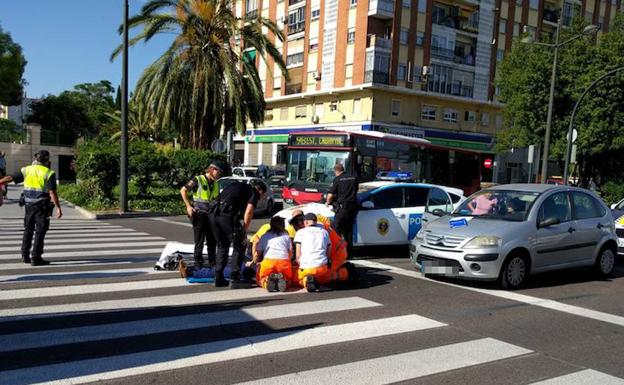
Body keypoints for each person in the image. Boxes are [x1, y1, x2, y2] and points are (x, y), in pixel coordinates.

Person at [0, 150, 62, 265]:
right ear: (47, 160)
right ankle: (36, 257)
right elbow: (52, 192)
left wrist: (0, 182)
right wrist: (58, 207)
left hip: (28, 205)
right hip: (42, 207)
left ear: (35, 158)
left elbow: (9, 178)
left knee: (28, 230)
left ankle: (25, 256)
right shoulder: (48, 173)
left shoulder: (26, 169)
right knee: (40, 231)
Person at [211, 177, 267, 288]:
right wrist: (244, 231)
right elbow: (249, 211)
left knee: (223, 245)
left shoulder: (238, 185)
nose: (261, 197)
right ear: (260, 190)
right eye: (263, 195)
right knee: (240, 244)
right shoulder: (253, 192)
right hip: (226, 215)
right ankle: (235, 277)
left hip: (214, 214)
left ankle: (218, 276)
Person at [180, 161, 223, 269]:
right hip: (199, 215)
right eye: (219, 172)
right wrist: (188, 206)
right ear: (213, 170)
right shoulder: (198, 179)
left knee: (212, 241)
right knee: (199, 241)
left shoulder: (216, 183)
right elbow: (183, 190)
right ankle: (198, 264)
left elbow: (216, 199)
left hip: (211, 215)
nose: (220, 175)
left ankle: (213, 264)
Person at [252, 216, 292, 292]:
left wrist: (254, 246)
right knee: (289, 279)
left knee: (260, 279)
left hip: (268, 262)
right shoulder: (286, 236)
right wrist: (288, 261)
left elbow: (257, 254)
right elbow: (290, 253)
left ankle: (266, 282)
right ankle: (284, 279)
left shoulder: (265, 236)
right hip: (283, 262)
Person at [294, 213, 332, 292]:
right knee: (324, 277)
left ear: (306, 222)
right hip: (322, 267)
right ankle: (316, 281)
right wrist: (328, 261)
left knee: (297, 278)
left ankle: (306, 281)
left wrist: (299, 263)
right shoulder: (324, 232)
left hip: (307, 267)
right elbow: (329, 249)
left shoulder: (300, 232)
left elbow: (298, 254)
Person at [325, 163, 358, 247]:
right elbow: (356, 190)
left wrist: (327, 203)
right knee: (348, 230)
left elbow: (330, 195)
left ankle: (338, 249)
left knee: (336, 229)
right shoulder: (353, 178)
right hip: (352, 207)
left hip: (342, 208)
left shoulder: (337, 179)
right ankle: (349, 251)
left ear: (336, 170)